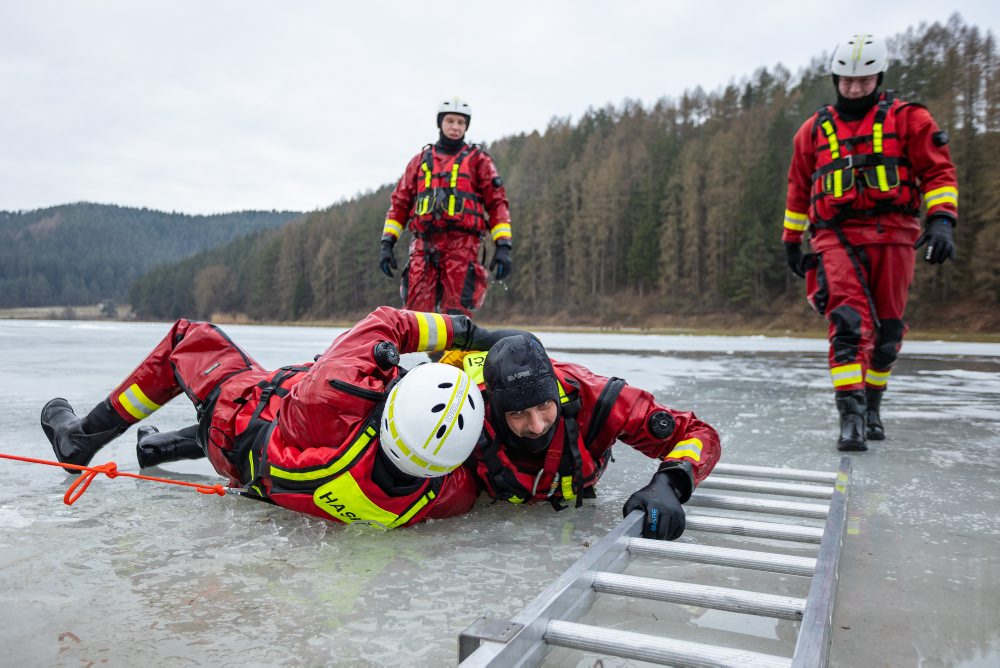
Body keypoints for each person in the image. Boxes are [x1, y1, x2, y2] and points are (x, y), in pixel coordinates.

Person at [39, 307, 505, 529]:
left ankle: (80, 439)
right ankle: (155, 447)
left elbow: (387, 323)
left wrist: (470, 332)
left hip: (234, 418)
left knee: (188, 339)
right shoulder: (440, 496)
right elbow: (465, 469)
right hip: (261, 474)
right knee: (278, 407)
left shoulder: (333, 396)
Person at [781, 33, 958, 452]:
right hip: (836, 238)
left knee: (888, 335)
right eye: (848, 81)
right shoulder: (813, 131)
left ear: (878, 77)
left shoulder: (910, 120)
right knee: (847, 325)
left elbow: (938, 173)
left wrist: (942, 221)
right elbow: (798, 187)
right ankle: (851, 418)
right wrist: (791, 240)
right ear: (836, 79)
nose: (856, 88)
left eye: (864, 81)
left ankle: (874, 405)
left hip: (896, 235)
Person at [448, 334, 721, 541]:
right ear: (495, 410)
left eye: (544, 405)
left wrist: (670, 482)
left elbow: (697, 432)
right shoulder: (466, 416)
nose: (537, 425)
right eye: (518, 413)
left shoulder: (597, 402)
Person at [378, 96, 513, 317]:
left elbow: (497, 204)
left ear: (466, 126)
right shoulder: (420, 161)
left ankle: (454, 350)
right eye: (450, 121)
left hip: (462, 245)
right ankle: (425, 351)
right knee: (415, 312)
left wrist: (503, 247)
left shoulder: (479, 161)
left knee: (457, 311)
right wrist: (387, 244)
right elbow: (400, 204)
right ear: (440, 123)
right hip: (424, 245)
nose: (455, 127)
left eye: (461, 123)